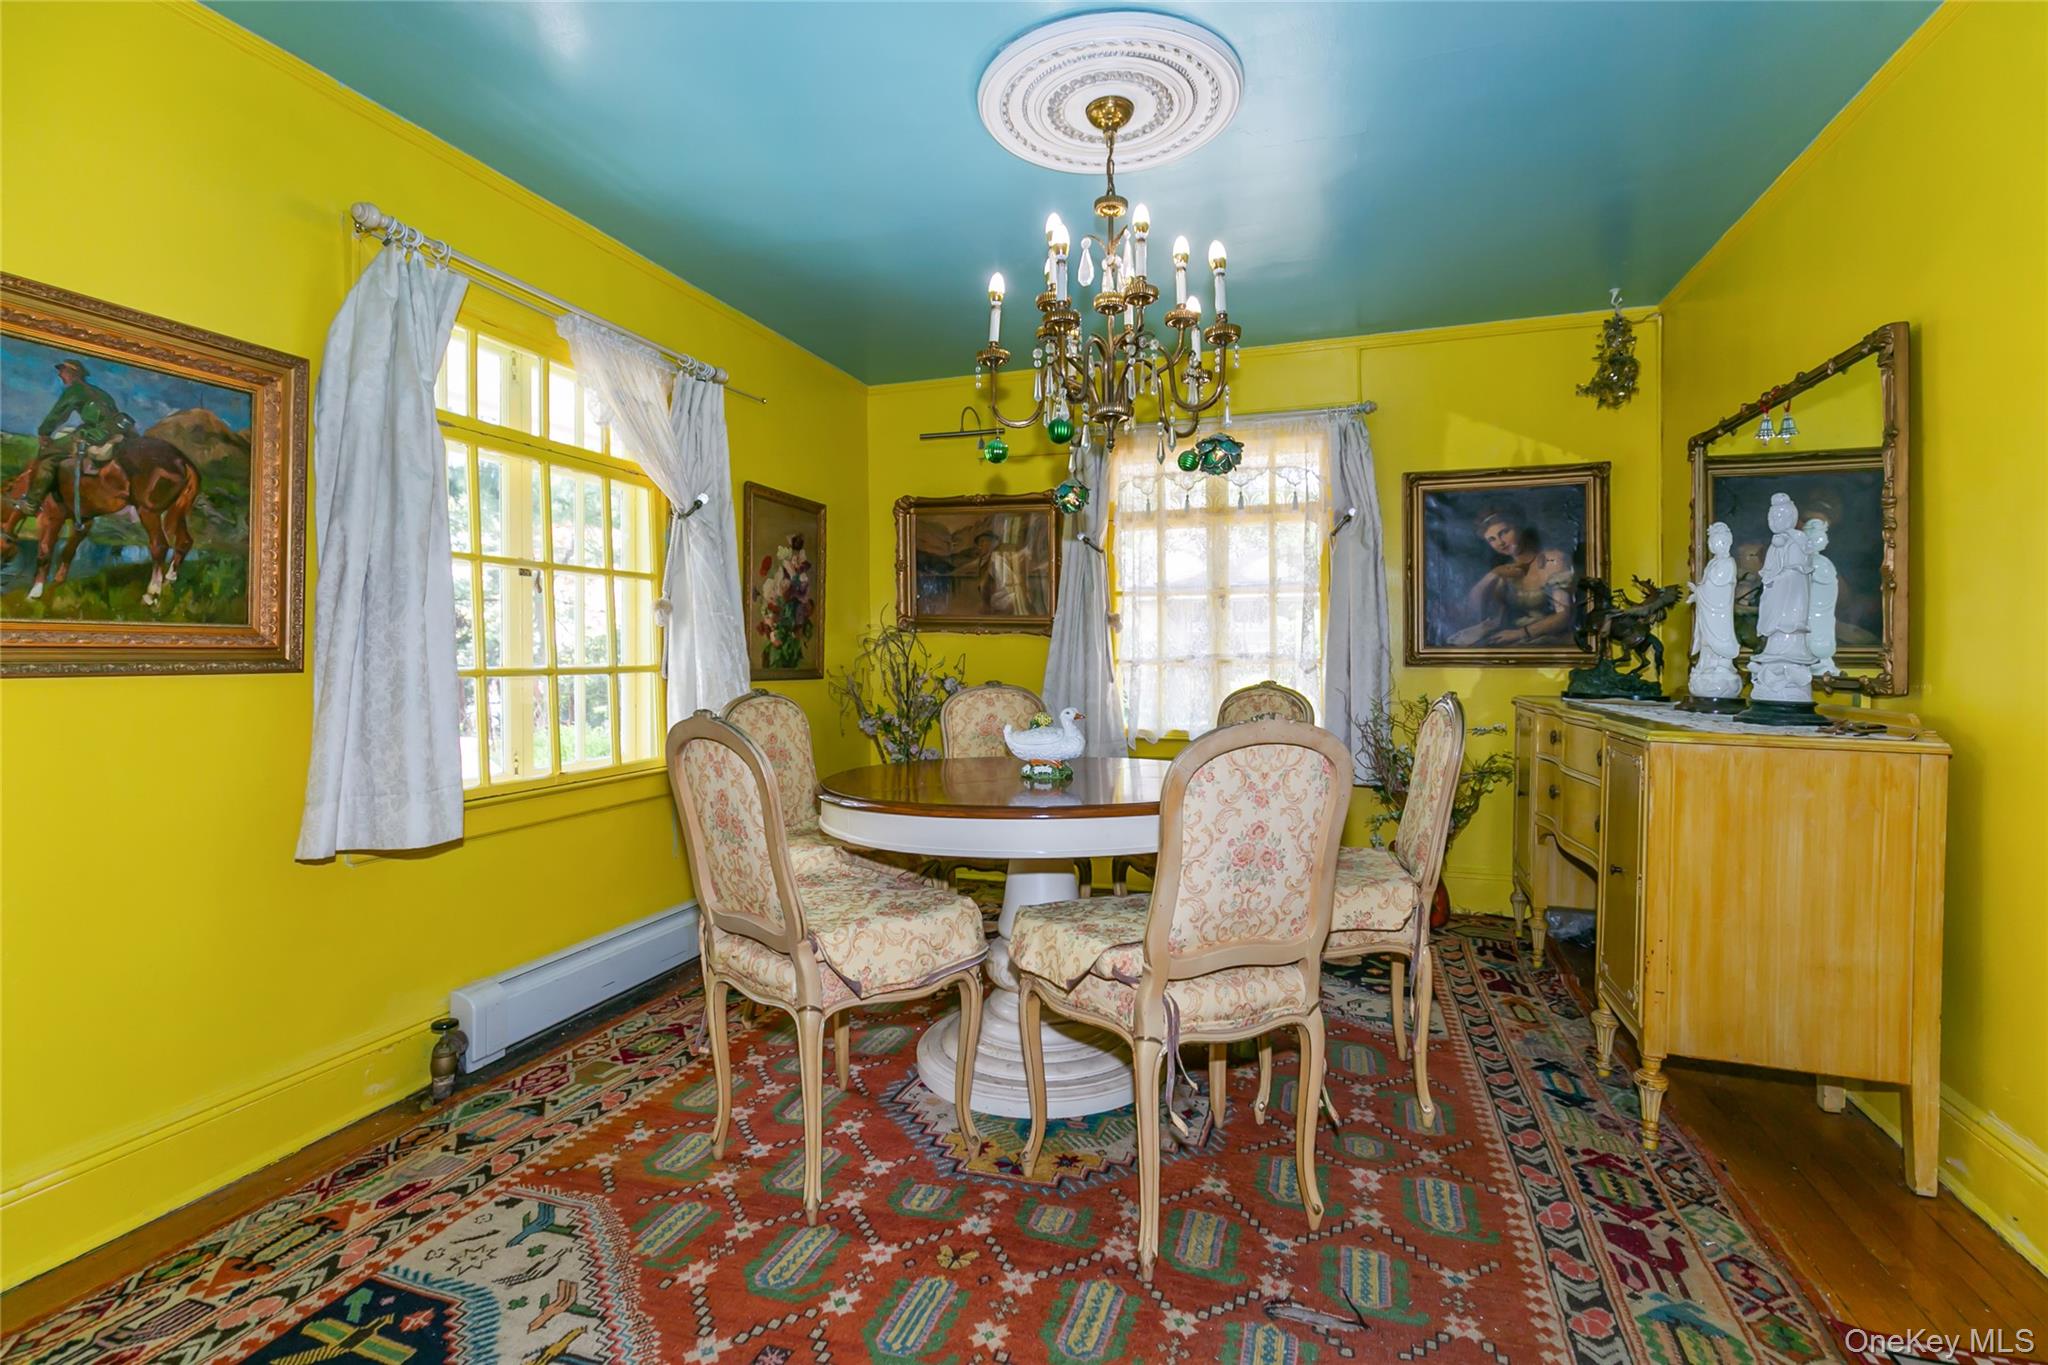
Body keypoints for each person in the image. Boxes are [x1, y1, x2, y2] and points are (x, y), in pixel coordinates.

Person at [14, 359, 133, 514]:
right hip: (114, 432)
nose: (60, 375)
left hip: (94, 433)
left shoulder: (75, 390)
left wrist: (44, 432)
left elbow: (58, 413)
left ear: (71, 373)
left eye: (62, 371)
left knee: (47, 456)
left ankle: (32, 502)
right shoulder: (99, 392)